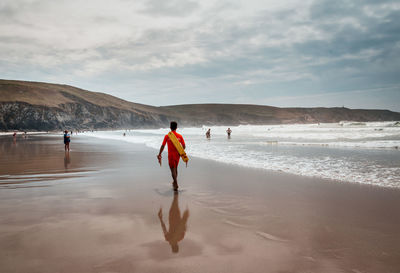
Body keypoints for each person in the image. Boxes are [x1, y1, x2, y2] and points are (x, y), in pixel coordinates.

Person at [157, 121, 186, 191]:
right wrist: (180, 152)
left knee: (172, 169)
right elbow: (184, 146)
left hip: (171, 155)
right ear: (176, 128)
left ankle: (175, 183)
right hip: (177, 155)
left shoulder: (167, 136)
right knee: (176, 168)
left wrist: (159, 153)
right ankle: (174, 181)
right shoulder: (180, 136)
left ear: (170, 128)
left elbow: (163, 146)